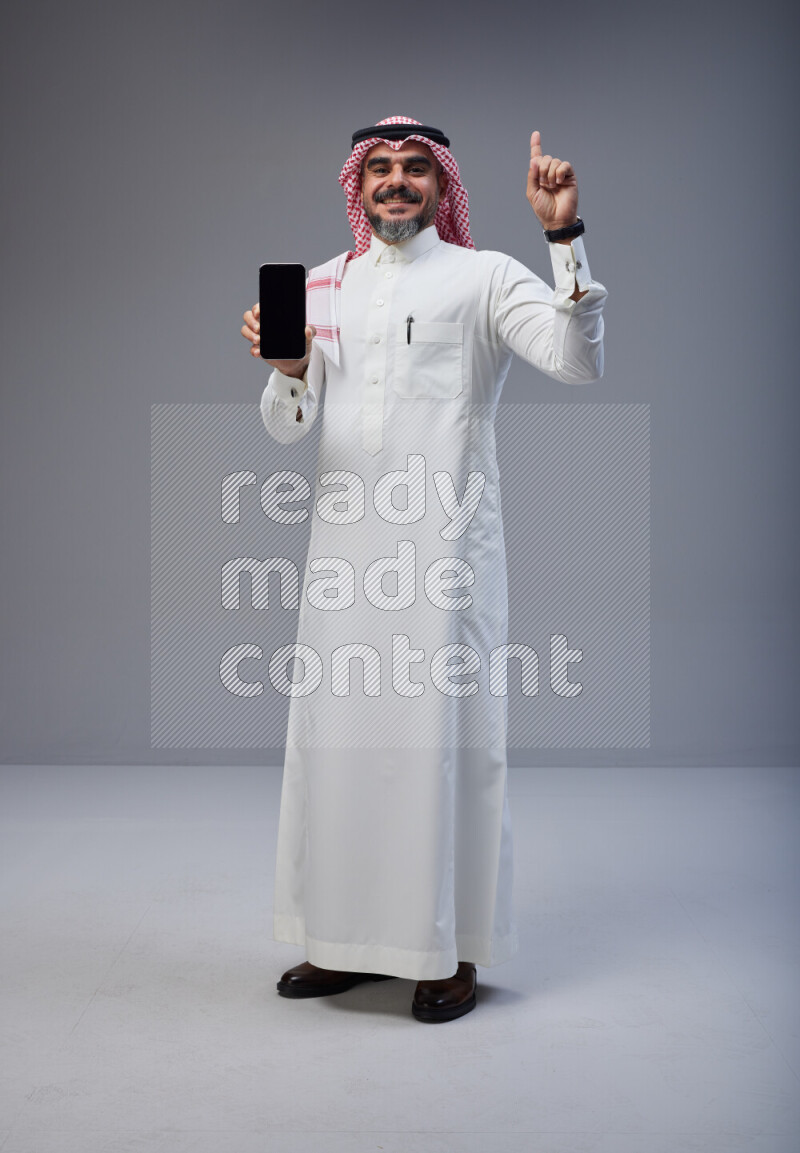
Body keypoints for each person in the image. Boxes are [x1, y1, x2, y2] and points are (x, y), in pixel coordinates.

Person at [240, 116, 607, 1023]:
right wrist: (289, 367)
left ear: (443, 187)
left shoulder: (483, 278)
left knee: (442, 750)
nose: (397, 182)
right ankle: (342, 940)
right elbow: (287, 426)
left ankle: (449, 950)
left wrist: (563, 236)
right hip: (343, 565)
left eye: (415, 169)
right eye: (381, 170)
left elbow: (576, 361)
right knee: (340, 748)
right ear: (356, 188)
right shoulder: (325, 283)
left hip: (446, 563)